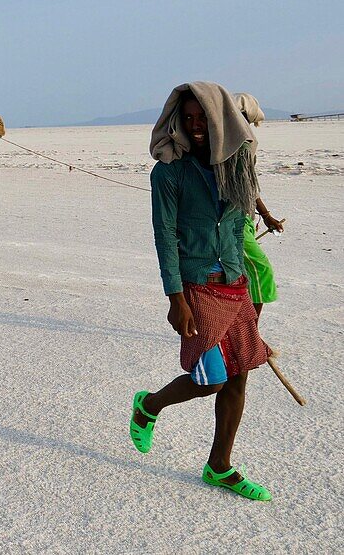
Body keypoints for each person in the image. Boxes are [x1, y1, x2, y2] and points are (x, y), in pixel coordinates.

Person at [130, 82, 273, 501]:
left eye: (202, 119)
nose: (194, 128)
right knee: (211, 380)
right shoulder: (169, 172)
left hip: (234, 280)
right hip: (196, 286)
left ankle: (219, 466)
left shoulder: (236, 163)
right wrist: (176, 299)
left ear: (219, 120)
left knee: (239, 377)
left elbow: (237, 223)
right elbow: (164, 235)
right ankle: (149, 406)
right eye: (187, 119)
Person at [233, 92, 285, 314]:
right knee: (260, 270)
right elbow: (245, 186)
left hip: (242, 217)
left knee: (243, 273)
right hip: (232, 220)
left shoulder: (236, 141)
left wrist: (263, 215)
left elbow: (247, 186)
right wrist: (265, 215)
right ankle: (250, 336)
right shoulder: (239, 143)